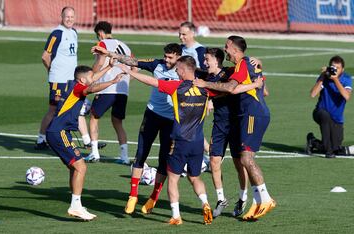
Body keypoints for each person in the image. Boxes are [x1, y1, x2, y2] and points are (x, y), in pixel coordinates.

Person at [116, 56, 213, 225]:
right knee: (195, 178)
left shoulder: (177, 87)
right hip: (198, 142)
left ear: (183, 70)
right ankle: (205, 204)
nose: (176, 72)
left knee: (173, 178)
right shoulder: (206, 89)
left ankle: (176, 215)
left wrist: (128, 71)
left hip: (180, 141)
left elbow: (152, 82)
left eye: (178, 70)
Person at [92, 43, 182, 214]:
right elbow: (133, 61)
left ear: (178, 56)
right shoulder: (156, 64)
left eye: (170, 57)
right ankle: (133, 195)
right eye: (165, 56)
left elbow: (210, 76)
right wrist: (109, 53)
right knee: (141, 153)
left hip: (171, 120)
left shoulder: (186, 69)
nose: (166, 59)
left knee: (164, 159)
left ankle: (154, 196)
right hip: (152, 115)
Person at [194, 35, 275, 221]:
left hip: (252, 113)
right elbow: (241, 86)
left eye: (226, 46)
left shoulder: (242, 64)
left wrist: (205, 84)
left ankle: (266, 199)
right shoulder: (246, 64)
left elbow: (231, 88)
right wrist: (256, 81)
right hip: (250, 114)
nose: (225, 49)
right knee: (246, 159)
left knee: (246, 159)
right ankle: (257, 203)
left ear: (234, 48)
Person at [46, 59, 121, 221]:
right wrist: (112, 81)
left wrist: (108, 66)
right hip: (59, 132)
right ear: (82, 80)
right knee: (81, 167)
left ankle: (76, 204)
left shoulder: (75, 83)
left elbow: (91, 80)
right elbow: (92, 87)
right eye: (89, 77)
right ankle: (75, 206)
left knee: (75, 168)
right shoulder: (79, 88)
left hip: (58, 132)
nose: (92, 78)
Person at [84, 21, 132, 164]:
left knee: (93, 116)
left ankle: (94, 153)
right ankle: (124, 156)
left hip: (107, 88)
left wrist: (91, 76)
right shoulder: (125, 47)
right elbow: (134, 68)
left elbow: (99, 63)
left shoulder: (103, 44)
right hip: (123, 89)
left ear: (100, 33)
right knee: (117, 122)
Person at [35, 6, 77, 150]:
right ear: (61, 16)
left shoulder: (74, 32)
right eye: (67, 16)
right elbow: (45, 56)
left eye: (72, 17)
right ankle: (41, 139)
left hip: (71, 80)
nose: (69, 19)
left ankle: (62, 138)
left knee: (68, 109)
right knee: (54, 110)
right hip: (58, 79)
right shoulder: (57, 34)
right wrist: (51, 70)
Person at [306, 55, 352, 158]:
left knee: (336, 146)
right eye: (333, 67)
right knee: (325, 116)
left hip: (336, 118)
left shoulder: (346, 79)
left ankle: (313, 142)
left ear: (342, 70)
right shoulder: (325, 77)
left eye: (337, 68)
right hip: (320, 112)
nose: (335, 70)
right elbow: (313, 94)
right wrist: (322, 76)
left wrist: (335, 80)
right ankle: (328, 151)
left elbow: (347, 96)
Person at [179, 21, 211, 163]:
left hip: (197, 96)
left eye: (184, 34)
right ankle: (208, 156)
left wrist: (209, 100)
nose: (181, 37)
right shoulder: (179, 50)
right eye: (179, 34)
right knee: (190, 127)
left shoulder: (200, 51)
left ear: (192, 33)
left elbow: (206, 75)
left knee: (193, 127)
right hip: (181, 95)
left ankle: (210, 155)